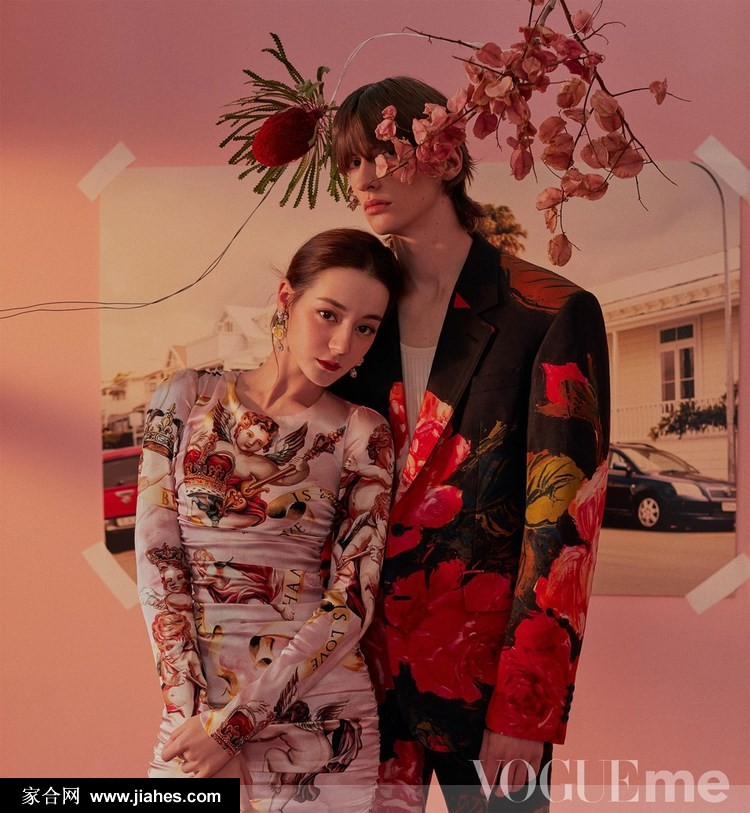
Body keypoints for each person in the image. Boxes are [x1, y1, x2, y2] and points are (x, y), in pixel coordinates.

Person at [331, 77, 611, 812]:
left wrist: (526, 709)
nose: (362, 179)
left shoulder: (548, 311)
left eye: (381, 154)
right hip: (353, 684)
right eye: (349, 163)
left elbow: (563, 529)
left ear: (447, 157)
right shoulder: (353, 320)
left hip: (484, 688)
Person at [135, 228, 401, 812]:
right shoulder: (183, 399)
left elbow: (353, 600)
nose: (342, 343)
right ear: (286, 298)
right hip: (196, 712)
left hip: (314, 709)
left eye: (365, 328)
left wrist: (235, 726)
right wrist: (199, 720)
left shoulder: (362, 432)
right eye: (328, 314)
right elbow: (158, 565)